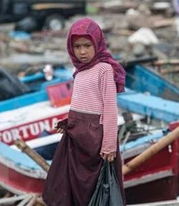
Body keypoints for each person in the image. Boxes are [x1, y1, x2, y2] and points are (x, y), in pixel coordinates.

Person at [43, 18, 126, 206]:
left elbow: (110, 109)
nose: (82, 52)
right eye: (77, 46)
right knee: (69, 184)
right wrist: (70, 120)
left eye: (87, 45)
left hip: (95, 139)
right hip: (76, 137)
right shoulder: (79, 71)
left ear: (97, 43)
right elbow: (83, 103)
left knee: (93, 186)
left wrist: (108, 145)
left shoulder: (104, 69)